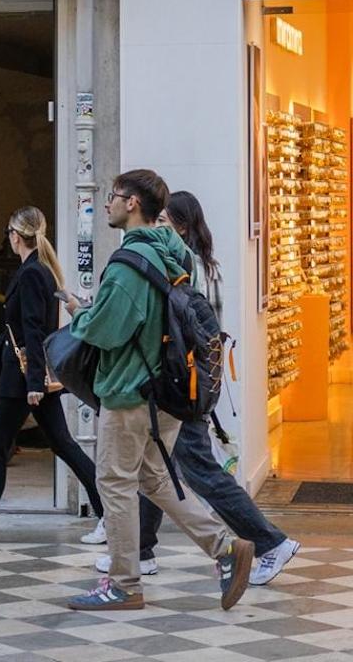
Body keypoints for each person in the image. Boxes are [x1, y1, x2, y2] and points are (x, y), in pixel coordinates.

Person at [65, 170, 253, 611]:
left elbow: (108, 330)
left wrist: (79, 315)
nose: (107, 203)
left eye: (112, 196)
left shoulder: (129, 262)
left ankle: (125, 583)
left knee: (113, 481)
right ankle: (225, 547)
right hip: (168, 391)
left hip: (130, 392)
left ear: (132, 204)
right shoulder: (177, 254)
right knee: (154, 479)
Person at [92, 191, 299, 584]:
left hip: (175, 384)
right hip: (188, 381)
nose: (161, 229)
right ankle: (143, 551)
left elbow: (161, 328)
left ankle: (269, 542)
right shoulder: (196, 264)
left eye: (167, 223)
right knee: (154, 473)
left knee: (197, 472)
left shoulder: (178, 268)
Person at [0, 207, 105, 545]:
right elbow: (16, 331)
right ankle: (111, 516)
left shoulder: (30, 274)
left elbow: (32, 331)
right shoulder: (40, 271)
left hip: (25, 380)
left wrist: (33, 385)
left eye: (8, 233)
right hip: (31, 376)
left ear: (15, 235)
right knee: (65, 446)